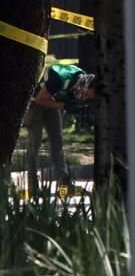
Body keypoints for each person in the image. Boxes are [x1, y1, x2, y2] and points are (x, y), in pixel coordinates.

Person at [24, 64, 95, 193]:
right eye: (85, 95)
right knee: (35, 143)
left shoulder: (81, 79)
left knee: (57, 143)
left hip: (52, 101)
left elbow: (68, 98)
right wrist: (64, 105)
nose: (84, 98)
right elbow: (40, 99)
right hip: (35, 102)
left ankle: (64, 185)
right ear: (84, 86)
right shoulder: (57, 79)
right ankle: (33, 187)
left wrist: (72, 106)